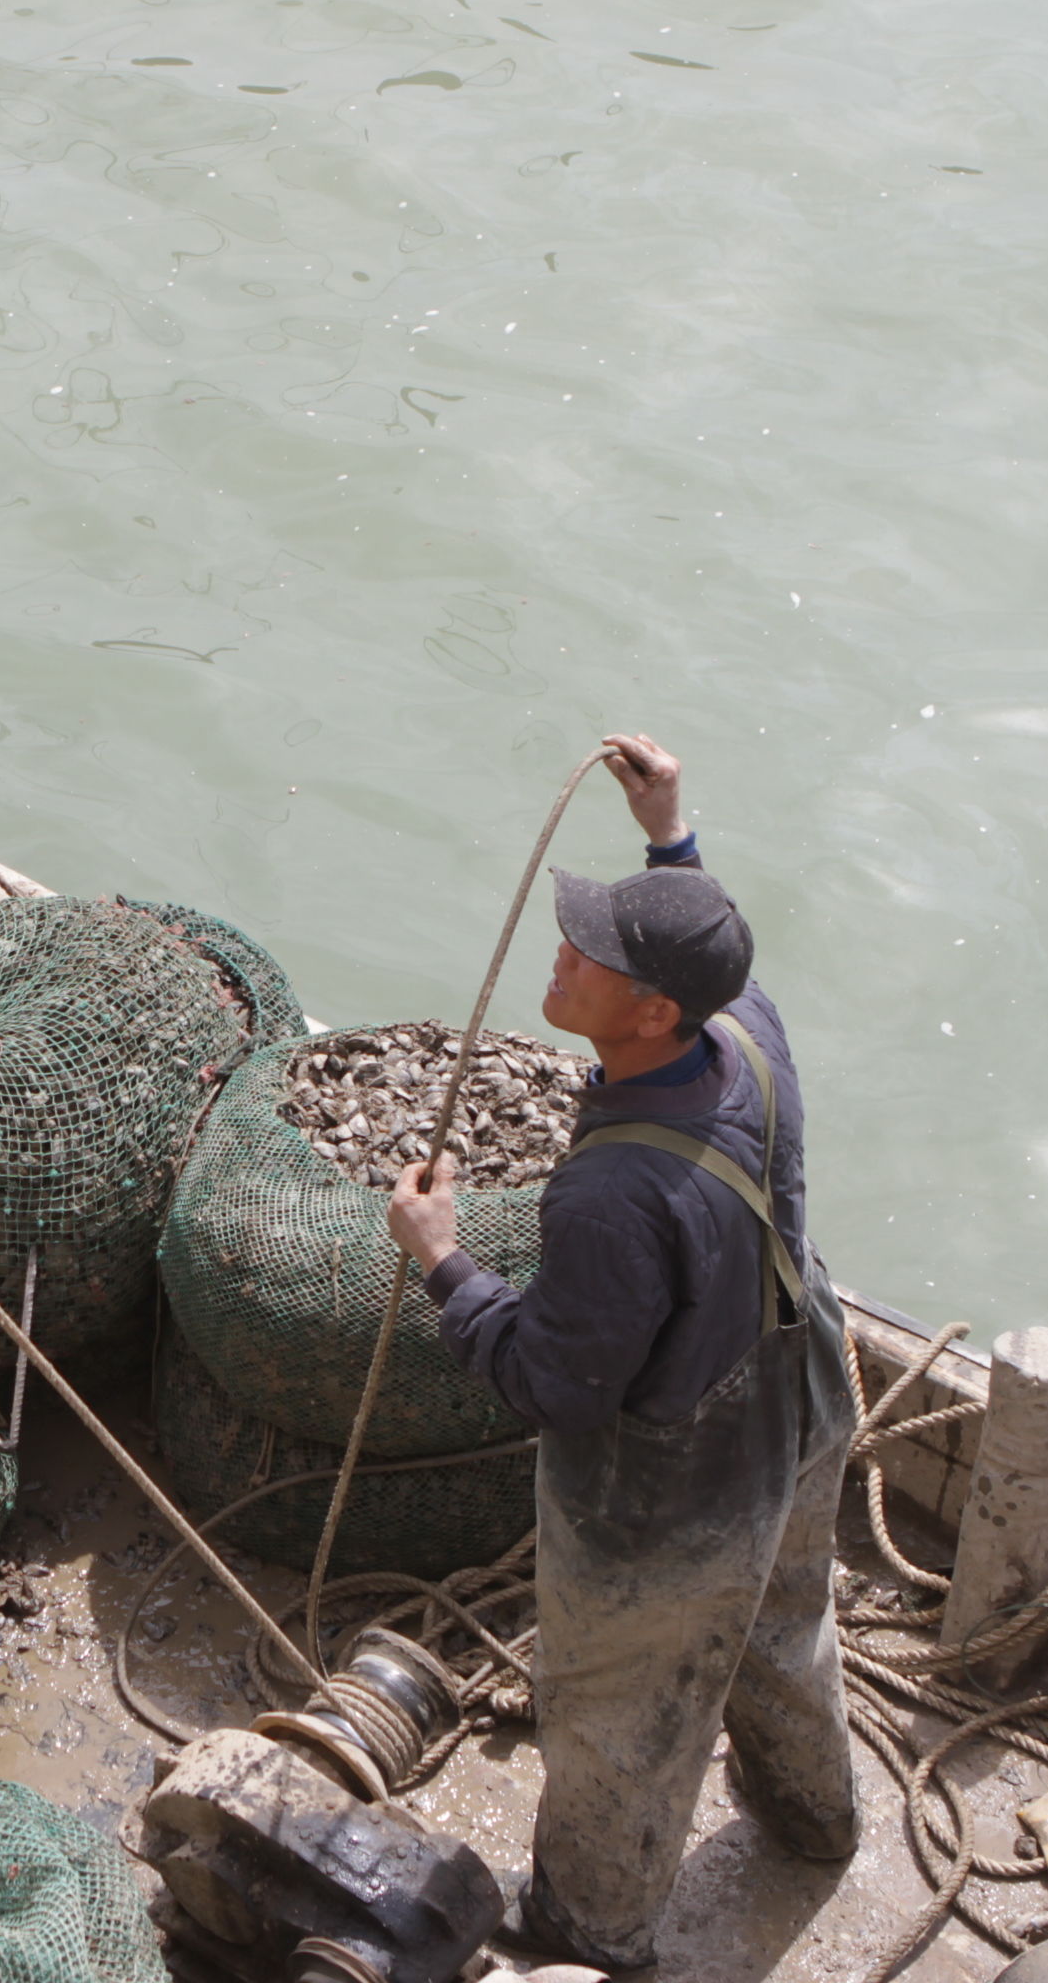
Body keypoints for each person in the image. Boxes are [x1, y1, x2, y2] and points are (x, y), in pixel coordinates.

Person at [385, 733, 856, 1973]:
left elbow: (555, 1381)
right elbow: (716, 943)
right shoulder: (742, 1021)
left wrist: (443, 1257)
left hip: (676, 1503)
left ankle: (591, 1931)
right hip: (804, 1398)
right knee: (788, 1624)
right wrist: (668, 832)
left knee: (620, 1731)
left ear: (650, 1012)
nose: (564, 949)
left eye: (592, 950)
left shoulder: (606, 1198)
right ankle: (817, 1824)